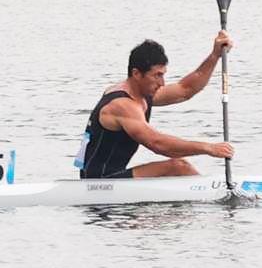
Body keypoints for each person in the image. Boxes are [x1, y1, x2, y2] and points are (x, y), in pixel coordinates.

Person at [76, 34, 235, 179]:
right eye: (157, 75)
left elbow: (186, 89)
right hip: (98, 183)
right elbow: (158, 144)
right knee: (178, 167)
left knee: (178, 167)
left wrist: (215, 56)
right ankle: (212, 195)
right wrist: (209, 148)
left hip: (114, 177)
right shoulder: (121, 105)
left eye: (163, 75)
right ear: (137, 74)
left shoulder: (142, 94)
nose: (162, 83)